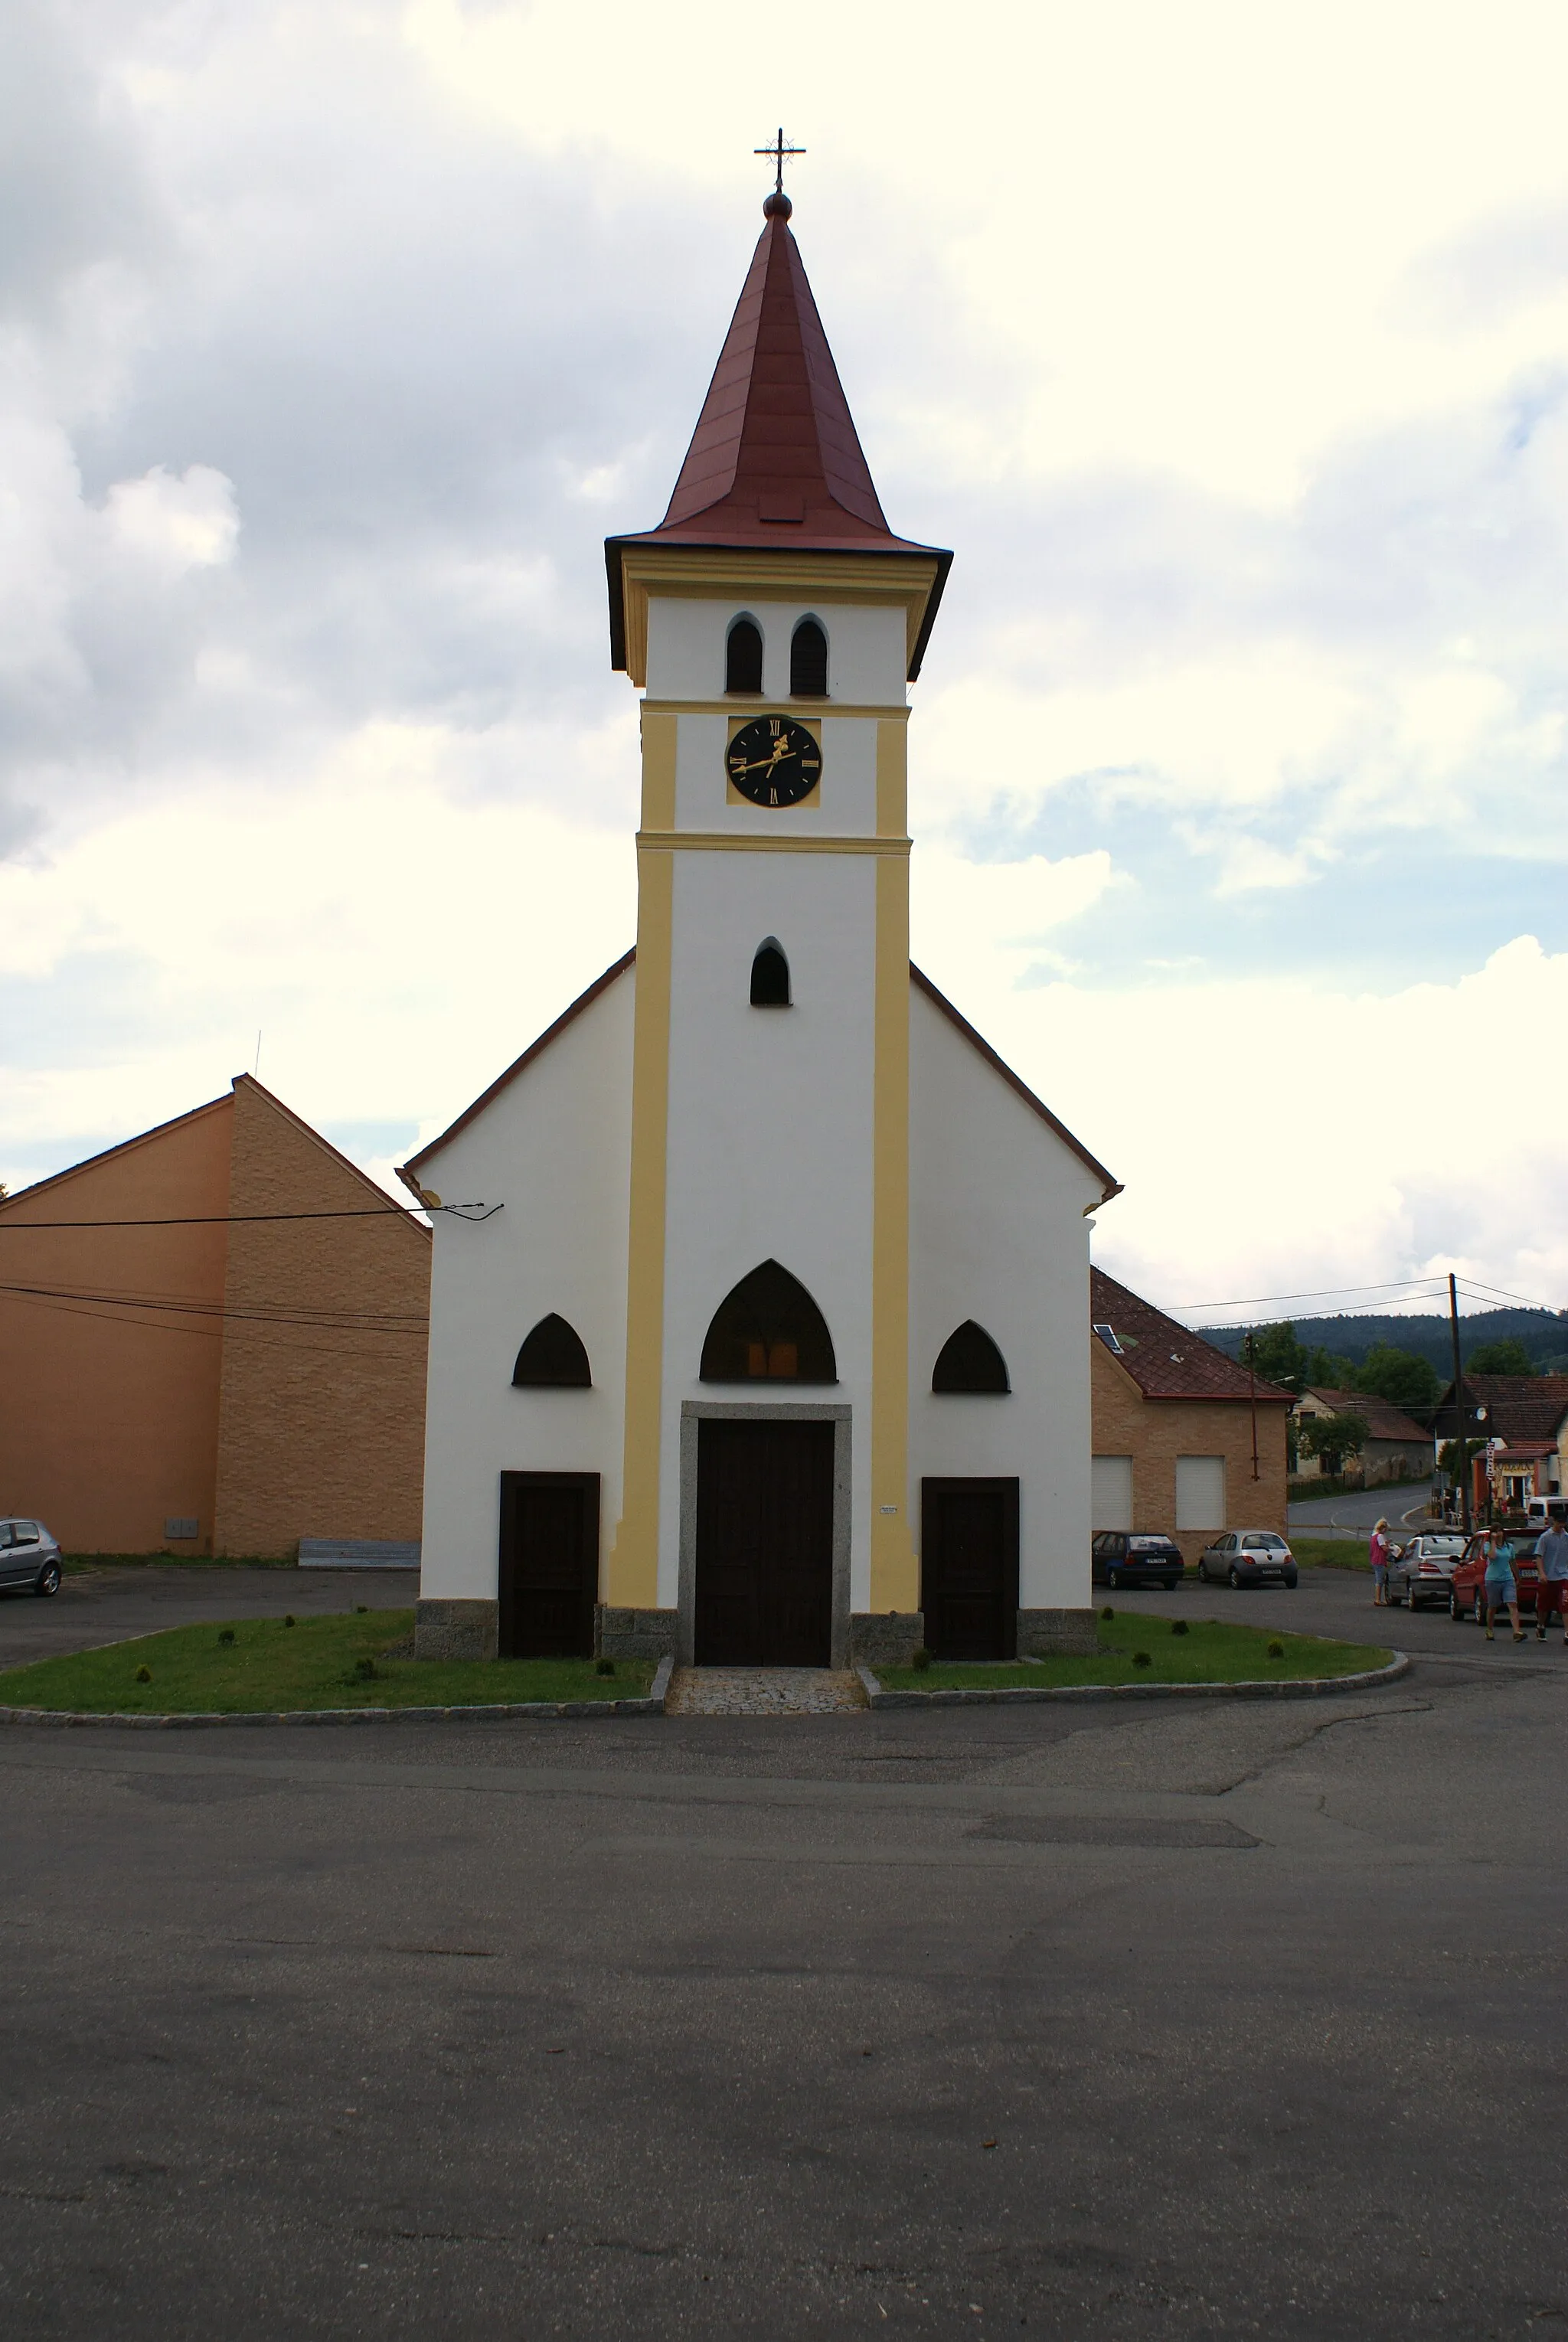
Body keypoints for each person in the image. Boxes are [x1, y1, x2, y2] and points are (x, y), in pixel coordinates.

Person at [1481, 1530, 1524, 1643]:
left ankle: (1516, 1632)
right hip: (1493, 1579)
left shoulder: (1509, 1547)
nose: (1498, 1533)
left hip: (1508, 1578)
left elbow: (1513, 1562)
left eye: (1500, 1531)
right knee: (1493, 1606)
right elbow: (1492, 1556)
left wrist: (1518, 1577)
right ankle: (1489, 1629)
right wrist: (1494, 1542)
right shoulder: (1488, 1546)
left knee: (1512, 1604)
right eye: (1495, 1531)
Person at [1534, 1517, 1568, 1645]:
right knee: (1544, 1605)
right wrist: (1542, 1573)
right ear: (1555, 1522)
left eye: (1563, 1523)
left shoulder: (1566, 1537)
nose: (1561, 1526)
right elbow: (1539, 1556)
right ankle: (1541, 1626)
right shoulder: (1545, 1537)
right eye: (1560, 1523)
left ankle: (1567, 1633)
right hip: (1548, 1576)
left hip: (1563, 1575)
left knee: (1565, 1604)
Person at [1369, 1518, 1391, 1607]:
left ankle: (1378, 1599)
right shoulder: (1380, 1536)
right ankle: (1378, 1599)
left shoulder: (1373, 1536)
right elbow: (1384, 1548)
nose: (1386, 1531)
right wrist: (1391, 1548)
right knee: (1380, 1580)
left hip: (1374, 1559)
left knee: (1379, 1579)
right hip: (1379, 1560)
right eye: (1385, 1528)